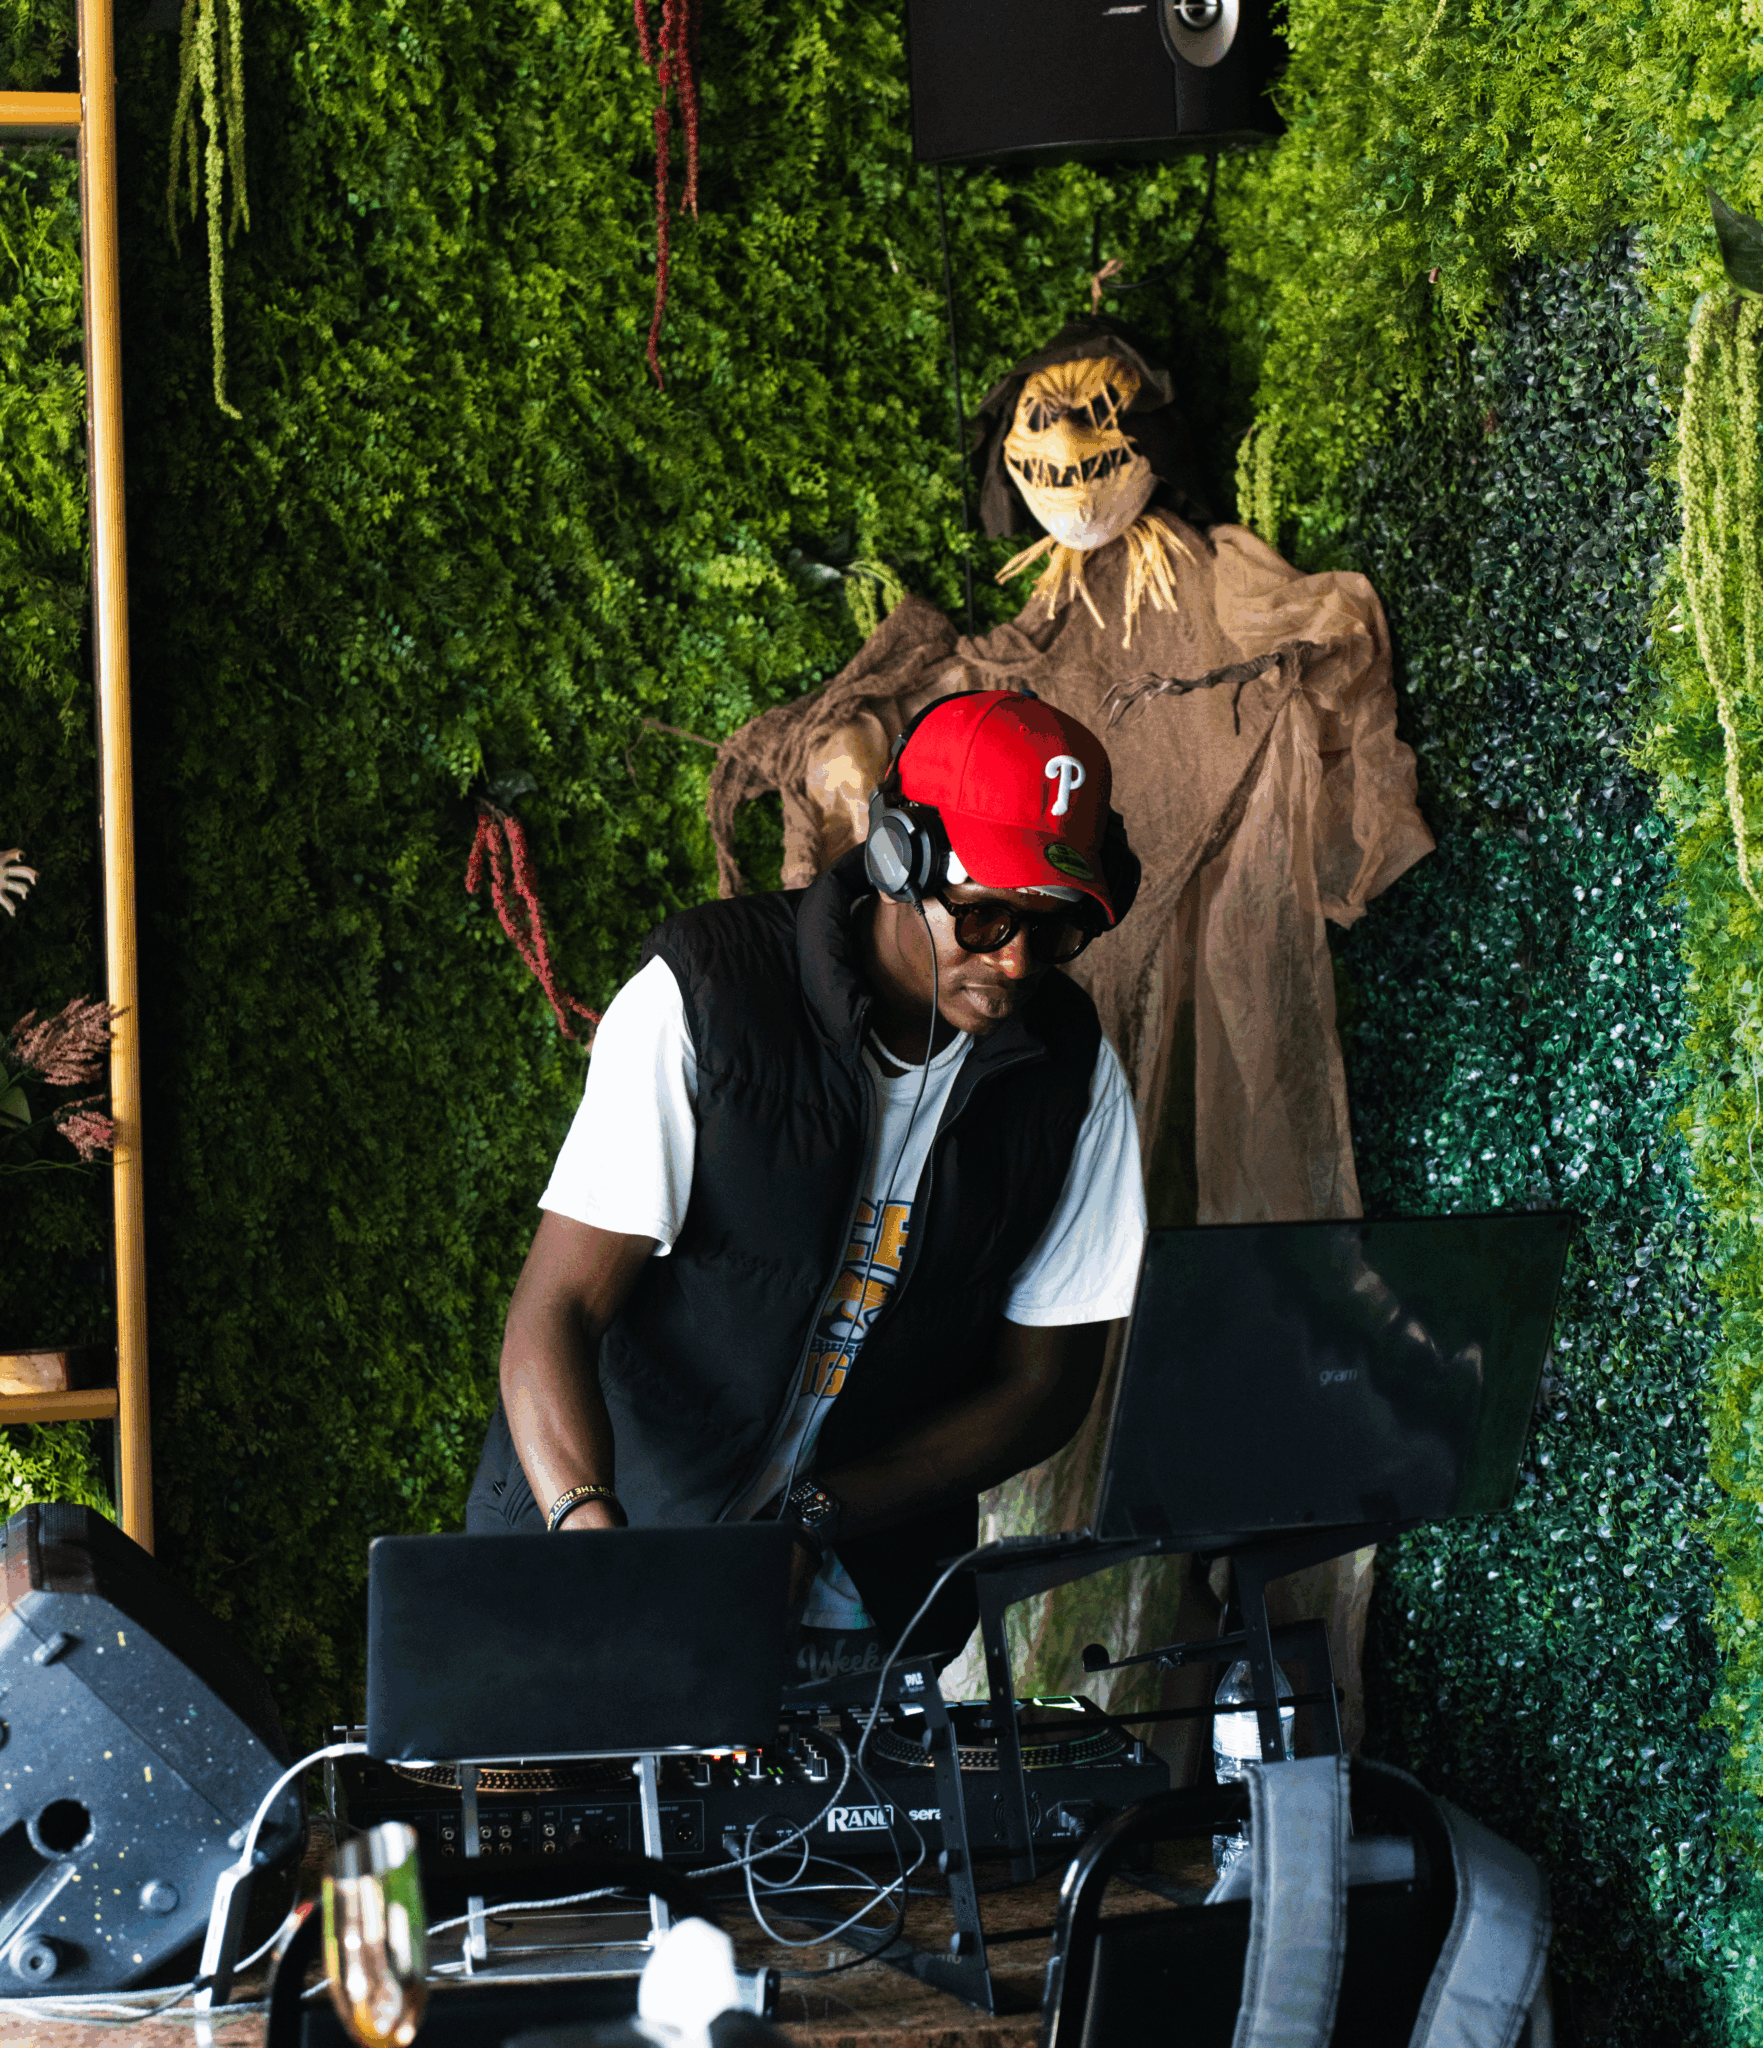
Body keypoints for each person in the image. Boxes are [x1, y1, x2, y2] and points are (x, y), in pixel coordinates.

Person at [465, 690, 1148, 1675]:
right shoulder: (706, 994)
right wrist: (599, 1547)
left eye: (1054, 930)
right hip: (605, 1560)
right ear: (897, 858)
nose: (1014, 961)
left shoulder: (1072, 1075)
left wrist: (815, 1518)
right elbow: (554, 1313)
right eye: (985, 915)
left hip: (856, 1613)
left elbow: (1042, 1389)